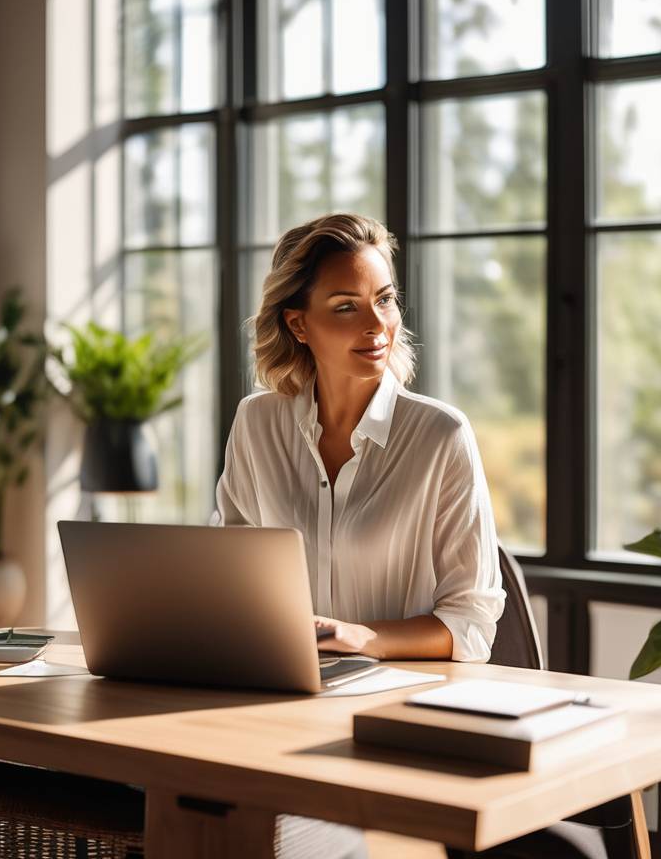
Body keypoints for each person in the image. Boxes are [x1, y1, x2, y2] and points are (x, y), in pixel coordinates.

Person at [214, 212, 505, 662]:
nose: (376, 324)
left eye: (385, 300)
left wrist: (360, 638)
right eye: (346, 306)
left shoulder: (441, 436)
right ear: (298, 325)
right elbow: (232, 580)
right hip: (278, 684)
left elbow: (471, 622)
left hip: (399, 696)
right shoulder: (257, 423)